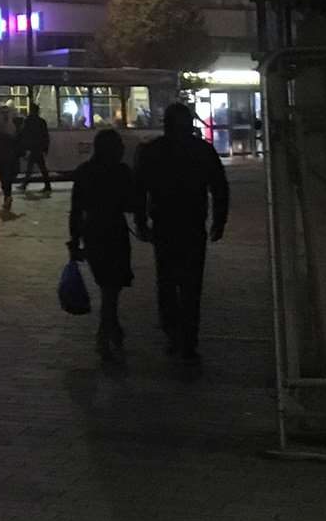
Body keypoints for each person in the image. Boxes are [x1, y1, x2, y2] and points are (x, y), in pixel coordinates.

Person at [133, 101, 230, 363]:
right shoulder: (201, 150)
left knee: (166, 282)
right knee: (191, 285)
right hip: (192, 225)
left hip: (164, 226)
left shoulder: (153, 151)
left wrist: (141, 222)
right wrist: (219, 222)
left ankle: (173, 333)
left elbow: (139, 190)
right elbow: (220, 187)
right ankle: (188, 338)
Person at [68, 129, 135, 359]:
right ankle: (105, 333)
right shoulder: (121, 172)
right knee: (111, 289)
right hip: (115, 232)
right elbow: (131, 204)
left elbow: (76, 210)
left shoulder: (84, 172)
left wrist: (74, 240)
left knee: (107, 287)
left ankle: (112, 329)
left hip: (92, 232)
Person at [0, 106, 20, 220]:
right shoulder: (12, 128)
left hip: (0, 156)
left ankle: (6, 196)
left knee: (3, 177)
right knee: (8, 178)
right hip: (10, 157)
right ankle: (8, 196)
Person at [18, 101, 53, 194]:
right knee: (41, 167)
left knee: (32, 167)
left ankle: (25, 184)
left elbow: (24, 134)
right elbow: (45, 136)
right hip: (39, 147)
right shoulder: (41, 121)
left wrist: (24, 147)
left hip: (32, 147)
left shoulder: (28, 121)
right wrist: (46, 148)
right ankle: (47, 185)